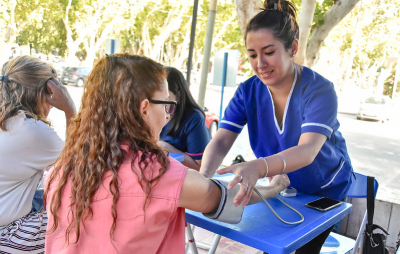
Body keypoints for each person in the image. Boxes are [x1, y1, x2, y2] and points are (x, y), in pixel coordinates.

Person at [43, 54, 290, 254]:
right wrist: (274, 188)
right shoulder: (156, 174)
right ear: (144, 109)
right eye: (166, 105)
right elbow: (229, 198)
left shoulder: (61, 168)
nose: (169, 114)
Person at [199, 0, 354, 253]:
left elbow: (307, 151)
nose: (260, 63)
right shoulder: (247, 91)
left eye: (269, 52)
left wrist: (259, 166)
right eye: (252, 55)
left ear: (292, 48)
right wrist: (204, 178)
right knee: (271, 245)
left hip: (325, 190)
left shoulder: (319, 90)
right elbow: (221, 140)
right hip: (281, 185)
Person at [0, 55, 76, 253]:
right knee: (75, 213)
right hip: (5, 233)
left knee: (41, 196)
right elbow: (78, 163)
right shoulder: (32, 130)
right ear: (45, 94)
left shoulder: (8, 122)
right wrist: (69, 109)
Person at [158, 67, 210, 170]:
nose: (159, 103)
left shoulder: (193, 118)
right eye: (156, 97)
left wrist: (165, 147)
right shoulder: (148, 112)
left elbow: (199, 167)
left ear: (178, 95)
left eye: (166, 98)